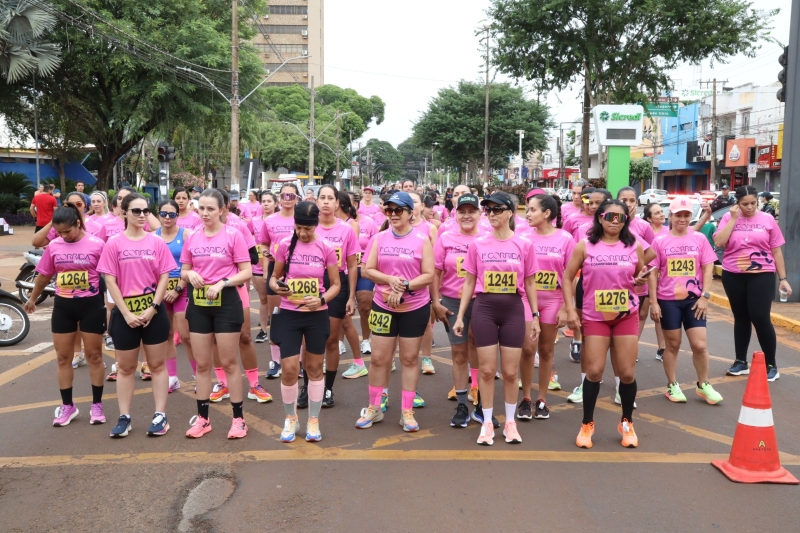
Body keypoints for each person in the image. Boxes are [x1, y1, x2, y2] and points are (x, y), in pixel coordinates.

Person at [453, 191, 540, 446]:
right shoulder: (477, 245)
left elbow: (530, 282)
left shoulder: (524, 245)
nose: (491, 215)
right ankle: (487, 422)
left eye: (497, 210)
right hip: (485, 309)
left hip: (513, 308)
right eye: (488, 210)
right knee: (488, 371)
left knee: (511, 373)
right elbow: (469, 282)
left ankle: (510, 423)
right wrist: (460, 316)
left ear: (511, 212)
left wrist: (534, 316)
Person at [563, 199, 648, 449]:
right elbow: (567, 278)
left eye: (619, 217)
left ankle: (627, 422)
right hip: (595, 316)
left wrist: (641, 283)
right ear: (599, 218)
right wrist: (570, 310)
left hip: (625, 315)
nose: (614, 221)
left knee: (627, 373)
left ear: (626, 220)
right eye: (609, 216)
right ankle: (587, 423)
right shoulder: (585, 246)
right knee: (594, 372)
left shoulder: (635, 246)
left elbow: (640, 278)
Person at [98, 193, 176, 438]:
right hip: (125, 314)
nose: (142, 215)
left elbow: (164, 276)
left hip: (154, 311)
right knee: (125, 367)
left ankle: (160, 415)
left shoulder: (156, 242)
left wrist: (153, 307)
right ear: (124, 212)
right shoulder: (114, 244)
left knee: (156, 365)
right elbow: (109, 280)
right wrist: (126, 313)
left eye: (145, 211)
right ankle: (124, 417)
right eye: (136, 211)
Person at [355, 192, 434, 432]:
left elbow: (429, 275)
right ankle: (374, 407)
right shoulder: (379, 238)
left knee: (410, 359)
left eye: (398, 210)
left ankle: (407, 412)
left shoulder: (422, 239)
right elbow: (367, 270)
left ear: (411, 213)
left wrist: (405, 286)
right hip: (383, 305)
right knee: (379, 359)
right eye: (389, 211)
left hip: (415, 307)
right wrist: (390, 279)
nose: (393, 215)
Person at [24, 203, 107, 427]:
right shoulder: (54, 247)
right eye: (59, 232)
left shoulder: (97, 244)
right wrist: (32, 299)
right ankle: (68, 406)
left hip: (91, 305)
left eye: (67, 231)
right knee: (63, 358)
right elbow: (43, 275)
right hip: (64, 306)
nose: (63, 236)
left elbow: (111, 276)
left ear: (78, 224)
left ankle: (97, 405)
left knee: (94, 356)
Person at [181, 189, 253, 439]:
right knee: (202, 364)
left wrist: (223, 282)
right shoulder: (192, 237)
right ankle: (203, 419)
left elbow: (247, 271)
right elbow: (184, 270)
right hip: (199, 304)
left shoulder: (233, 235)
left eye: (210, 208)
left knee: (229, 362)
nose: (205, 213)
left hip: (226, 303)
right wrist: (189, 274)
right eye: (201, 208)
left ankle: (238, 420)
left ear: (222, 210)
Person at [270, 201, 340, 442]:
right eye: (298, 227)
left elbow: (336, 285)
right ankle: (290, 418)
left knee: (313, 368)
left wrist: (320, 299)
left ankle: (313, 419)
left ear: (316, 225)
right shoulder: (284, 246)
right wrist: (277, 287)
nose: (302, 233)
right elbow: (273, 278)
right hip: (289, 314)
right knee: (289, 369)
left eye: (307, 229)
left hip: (316, 315)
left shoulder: (326, 248)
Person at [648, 197, 723, 404]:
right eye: (678, 215)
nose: (682, 219)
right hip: (668, 301)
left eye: (686, 215)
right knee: (672, 345)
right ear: (670, 217)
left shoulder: (698, 239)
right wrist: (653, 302)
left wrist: (705, 296)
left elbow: (708, 267)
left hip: (694, 301)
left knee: (700, 345)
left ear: (691, 217)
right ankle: (672, 385)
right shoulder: (660, 241)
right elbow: (652, 273)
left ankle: (703, 384)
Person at [714, 185, 790, 381]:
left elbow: (776, 251)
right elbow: (720, 242)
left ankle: (771, 365)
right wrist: (732, 219)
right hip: (733, 274)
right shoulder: (728, 218)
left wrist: (783, 279)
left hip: (762, 273)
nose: (749, 208)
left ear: (758, 201)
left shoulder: (768, 219)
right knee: (741, 317)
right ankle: (741, 361)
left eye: (753, 204)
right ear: (737, 203)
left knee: (760, 317)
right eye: (744, 204)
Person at [517, 193, 574, 421]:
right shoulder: (522, 236)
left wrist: (566, 307)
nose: (527, 214)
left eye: (532, 210)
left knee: (547, 349)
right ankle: (526, 397)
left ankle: (541, 399)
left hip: (553, 300)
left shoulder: (565, 239)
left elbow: (570, 277)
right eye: (527, 209)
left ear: (547, 213)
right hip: (525, 299)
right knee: (528, 348)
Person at [432, 193, 482, 427]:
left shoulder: (488, 238)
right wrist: (436, 301)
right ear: (455, 214)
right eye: (462, 211)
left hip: (482, 301)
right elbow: (436, 272)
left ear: (480, 214)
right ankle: (462, 403)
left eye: (472, 211)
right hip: (451, 301)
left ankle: (481, 398)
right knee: (459, 352)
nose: (467, 215)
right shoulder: (446, 238)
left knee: (481, 350)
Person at [313, 185, 360, 407]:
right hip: (310, 282)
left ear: (337, 203)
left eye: (330, 198)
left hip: (336, 283)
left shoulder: (346, 230)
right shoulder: (308, 227)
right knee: (309, 340)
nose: (325, 202)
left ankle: (328, 389)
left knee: (331, 339)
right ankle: (308, 386)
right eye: (321, 198)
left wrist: (351, 296)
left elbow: (352, 265)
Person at [259, 184, 299, 379]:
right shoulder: (270, 221)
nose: (288, 198)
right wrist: (266, 263)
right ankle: (275, 361)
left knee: (298, 314)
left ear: (297, 198)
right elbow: (264, 243)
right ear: (280, 197)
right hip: (275, 269)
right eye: (285, 195)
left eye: (292, 195)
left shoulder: (301, 218)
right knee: (276, 315)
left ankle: (297, 361)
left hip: (298, 271)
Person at [155, 200, 194, 393]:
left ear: (178, 216)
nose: (167, 218)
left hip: (182, 288)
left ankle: (198, 375)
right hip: (161, 291)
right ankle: (173, 377)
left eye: (172, 214)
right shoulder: (152, 237)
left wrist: (177, 288)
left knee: (186, 336)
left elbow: (192, 265)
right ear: (158, 215)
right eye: (164, 214)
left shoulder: (186, 235)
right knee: (167, 334)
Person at [344, 191, 377, 377]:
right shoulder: (337, 225)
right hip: (344, 270)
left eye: (350, 204)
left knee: (365, 304)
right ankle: (339, 342)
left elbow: (374, 246)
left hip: (361, 267)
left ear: (356, 205)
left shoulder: (369, 223)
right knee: (340, 308)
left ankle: (366, 339)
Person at [641, 203, 668, 360]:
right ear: (649, 218)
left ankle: (662, 348)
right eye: (657, 213)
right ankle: (632, 347)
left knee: (660, 314)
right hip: (646, 277)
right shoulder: (645, 231)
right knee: (643, 314)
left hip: (663, 279)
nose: (661, 214)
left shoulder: (669, 231)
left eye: (662, 212)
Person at [251, 191, 278, 344]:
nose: (266, 203)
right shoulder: (254, 221)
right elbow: (246, 239)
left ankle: (278, 330)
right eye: (263, 201)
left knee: (278, 300)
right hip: (258, 266)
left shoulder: (280, 221)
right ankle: (263, 330)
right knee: (263, 299)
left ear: (275, 203)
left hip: (276, 266)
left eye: (269, 201)